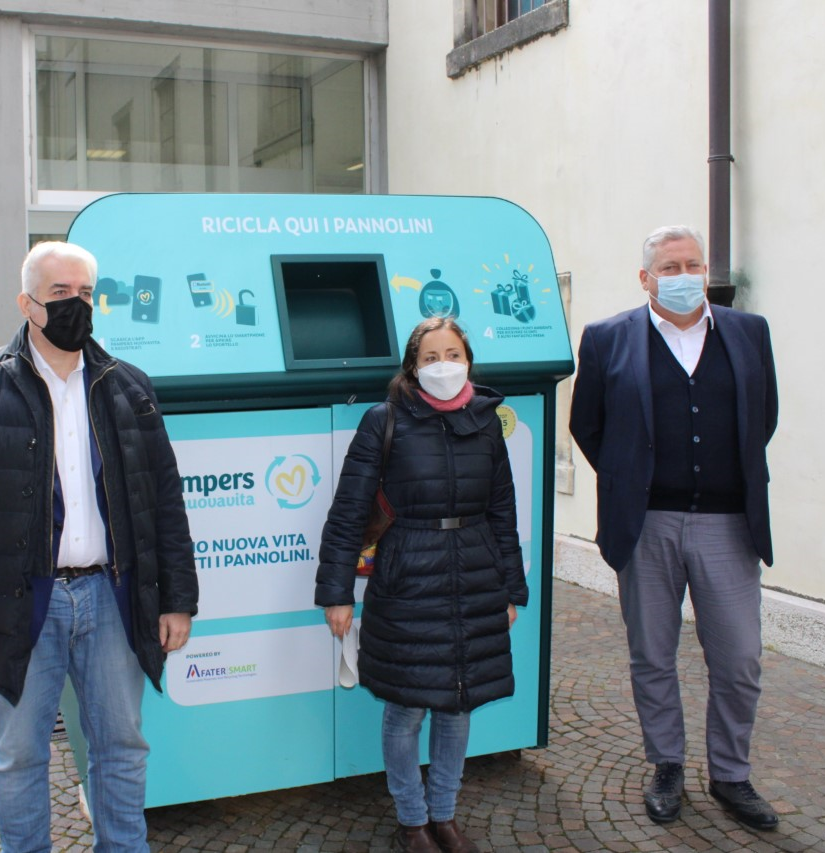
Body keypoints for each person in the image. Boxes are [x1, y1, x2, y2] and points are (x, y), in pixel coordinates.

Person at [0, 241, 199, 852]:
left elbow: (164, 505)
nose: (76, 305)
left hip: (112, 598)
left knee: (122, 747)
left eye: (86, 293)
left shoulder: (129, 387)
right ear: (27, 304)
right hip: (19, 604)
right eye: (60, 294)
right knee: (18, 755)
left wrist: (177, 600)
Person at [569, 225, 780, 831]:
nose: (683, 275)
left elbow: (761, 419)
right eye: (669, 267)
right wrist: (632, 476)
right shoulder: (608, 337)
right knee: (652, 655)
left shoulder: (748, 333)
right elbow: (589, 427)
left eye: (692, 264)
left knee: (739, 658)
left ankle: (731, 774)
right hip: (647, 524)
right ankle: (666, 764)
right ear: (646, 278)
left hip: (729, 523)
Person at [315, 317, 527, 853]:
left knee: (458, 704)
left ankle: (445, 815)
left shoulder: (486, 421)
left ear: (469, 360)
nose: (443, 366)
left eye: (452, 354)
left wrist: (511, 589)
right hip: (408, 577)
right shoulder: (382, 421)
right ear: (413, 366)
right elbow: (347, 515)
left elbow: (504, 512)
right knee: (407, 706)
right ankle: (412, 820)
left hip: (476, 578)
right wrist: (337, 592)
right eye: (430, 357)